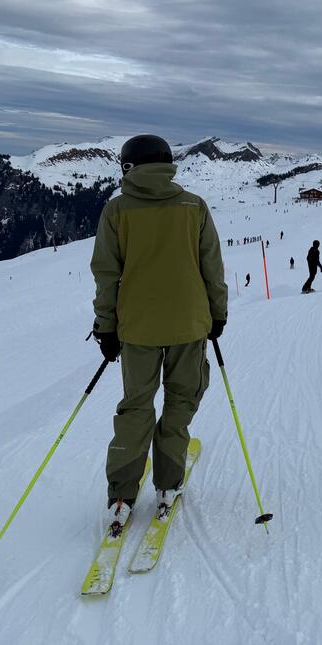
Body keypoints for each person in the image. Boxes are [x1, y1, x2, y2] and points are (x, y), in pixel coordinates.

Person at [90, 134, 227, 532]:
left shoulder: (117, 211)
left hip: (137, 328)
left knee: (137, 405)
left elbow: (106, 275)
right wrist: (217, 315)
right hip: (189, 324)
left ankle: (121, 494)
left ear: (129, 167)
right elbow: (211, 268)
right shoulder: (193, 206)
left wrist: (106, 326)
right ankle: (168, 484)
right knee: (181, 399)